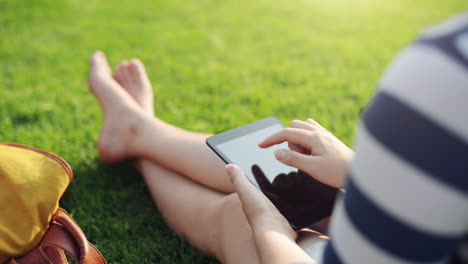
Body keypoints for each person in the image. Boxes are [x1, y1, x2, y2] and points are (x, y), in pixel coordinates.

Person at [88, 12, 468, 264]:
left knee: (243, 216)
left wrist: (269, 229)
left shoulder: (447, 73)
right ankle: (140, 132)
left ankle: (138, 140)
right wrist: (358, 173)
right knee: (294, 171)